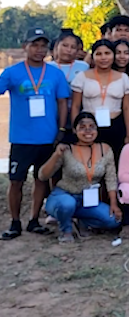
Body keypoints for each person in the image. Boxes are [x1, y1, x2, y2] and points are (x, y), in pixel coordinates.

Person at [0, 28, 70, 240]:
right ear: (25, 47)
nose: (39, 50)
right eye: (34, 45)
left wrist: (62, 130)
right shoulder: (12, 73)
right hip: (22, 138)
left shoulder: (55, 73)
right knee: (16, 181)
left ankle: (34, 220)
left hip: (48, 137)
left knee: (41, 180)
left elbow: (62, 103)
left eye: (43, 46)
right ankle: (14, 222)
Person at [39, 112, 122, 243]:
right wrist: (56, 155)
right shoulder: (67, 149)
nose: (88, 131)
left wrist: (114, 204)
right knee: (67, 204)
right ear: (75, 130)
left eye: (92, 127)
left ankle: (79, 220)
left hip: (88, 200)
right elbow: (43, 176)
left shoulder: (105, 149)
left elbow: (111, 178)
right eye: (82, 127)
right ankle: (66, 230)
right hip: (64, 195)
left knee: (113, 220)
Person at [71, 39, 129, 161]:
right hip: (88, 126)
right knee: (90, 162)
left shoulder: (123, 78)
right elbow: (75, 106)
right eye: (99, 54)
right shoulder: (82, 77)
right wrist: (75, 129)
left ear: (113, 56)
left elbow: (127, 107)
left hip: (116, 125)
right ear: (92, 57)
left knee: (114, 162)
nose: (103, 58)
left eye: (107, 53)